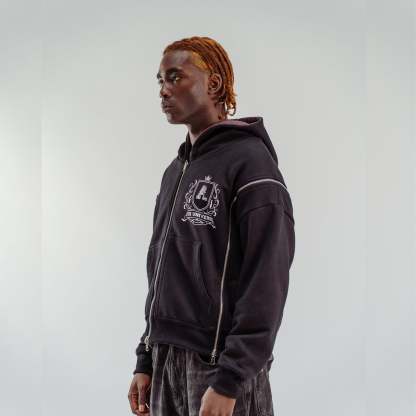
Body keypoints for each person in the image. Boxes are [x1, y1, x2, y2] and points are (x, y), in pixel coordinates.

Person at [127, 36, 295, 416]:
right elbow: (164, 272)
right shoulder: (175, 171)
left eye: (175, 77)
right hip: (166, 362)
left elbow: (267, 279)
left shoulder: (251, 165)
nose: (163, 90)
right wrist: (146, 357)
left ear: (214, 84)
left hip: (219, 366)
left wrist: (230, 378)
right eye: (160, 81)